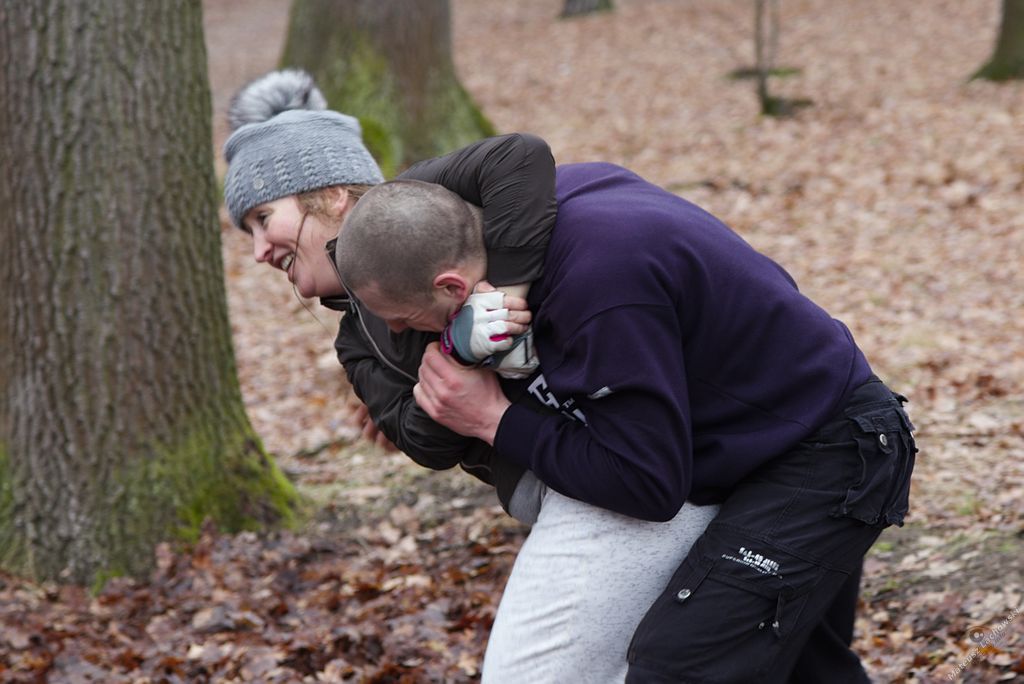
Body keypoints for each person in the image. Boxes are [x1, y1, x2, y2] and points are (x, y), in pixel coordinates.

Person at [223, 70, 719, 682]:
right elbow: (421, 441)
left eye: (262, 218)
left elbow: (520, 159)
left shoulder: (427, 200)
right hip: (561, 480)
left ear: (330, 195)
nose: (257, 251)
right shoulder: (356, 340)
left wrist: (502, 302)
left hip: (639, 452)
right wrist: (458, 355)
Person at [334, 168, 918, 682]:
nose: (409, 336)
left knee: (679, 667)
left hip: (830, 453)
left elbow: (647, 484)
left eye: (407, 320)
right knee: (806, 672)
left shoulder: (600, 285)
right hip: (765, 444)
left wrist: (495, 420)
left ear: (451, 286)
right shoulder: (542, 209)